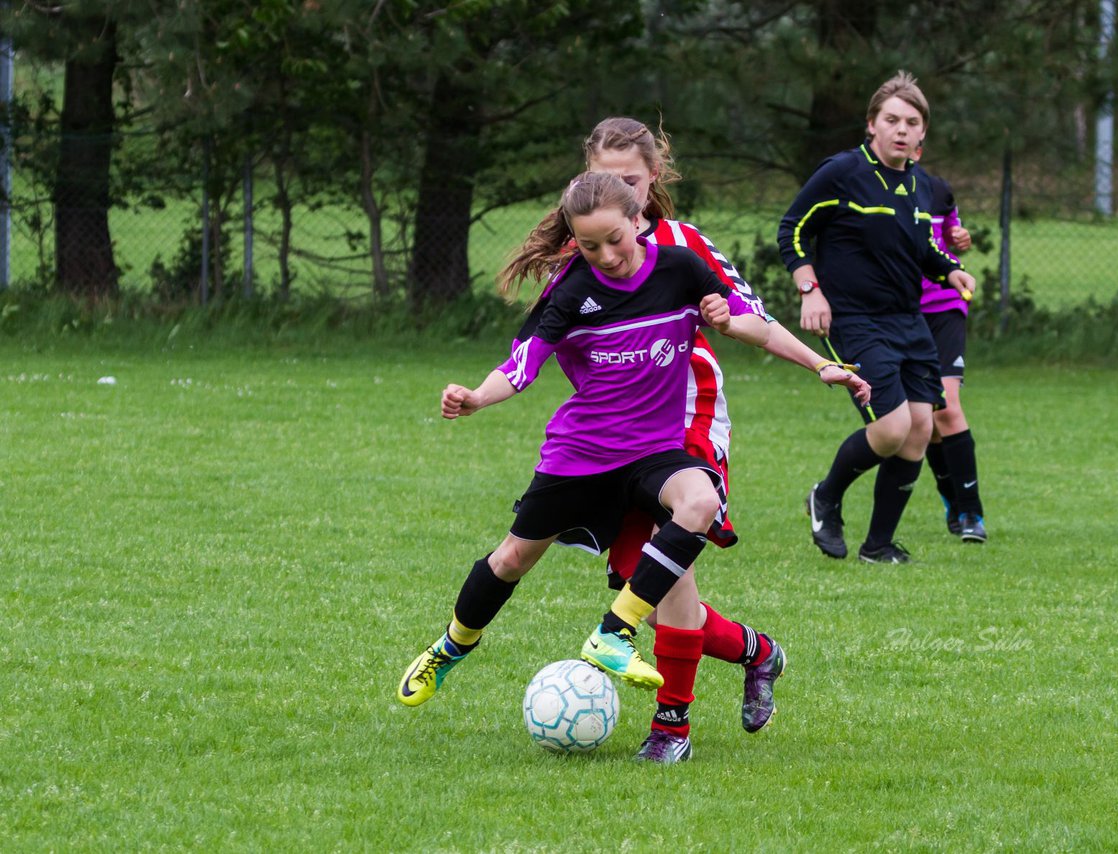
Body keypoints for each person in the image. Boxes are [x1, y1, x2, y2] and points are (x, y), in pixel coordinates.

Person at [397, 171, 772, 763]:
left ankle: (620, 642)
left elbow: (753, 325)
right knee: (512, 558)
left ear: (639, 211)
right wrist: (475, 396)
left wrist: (817, 363)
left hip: (656, 452)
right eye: (589, 244)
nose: (605, 255)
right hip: (581, 456)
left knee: (697, 507)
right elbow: (523, 363)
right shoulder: (572, 288)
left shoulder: (680, 265)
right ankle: (448, 649)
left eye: (613, 240)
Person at [580, 117, 871, 761]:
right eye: (602, 180)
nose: (616, 194)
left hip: (686, 414)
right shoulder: (584, 245)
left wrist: (818, 362)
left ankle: (671, 728)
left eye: (629, 181)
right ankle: (756, 651)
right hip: (615, 431)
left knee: (669, 562)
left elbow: (752, 319)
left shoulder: (684, 243)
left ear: (653, 179)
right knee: (644, 589)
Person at [778, 71, 977, 564]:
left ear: (923, 133)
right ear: (872, 124)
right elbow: (793, 230)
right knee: (890, 429)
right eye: (892, 119)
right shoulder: (843, 172)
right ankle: (826, 495)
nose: (902, 130)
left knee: (919, 431)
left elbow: (923, 248)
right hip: (855, 319)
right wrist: (810, 290)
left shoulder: (918, 185)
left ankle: (878, 545)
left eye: (912, 122)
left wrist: (951, 271)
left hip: (909, 321)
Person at [914, 144, 988, 543]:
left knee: (947, 406)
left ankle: (973, 515)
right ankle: (954, 501)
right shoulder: (868, 190)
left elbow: (947, 240)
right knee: (922, 419)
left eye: (912, 127)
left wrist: (959, 239)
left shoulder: (937, 190)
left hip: (943, 306)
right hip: (899, 313)